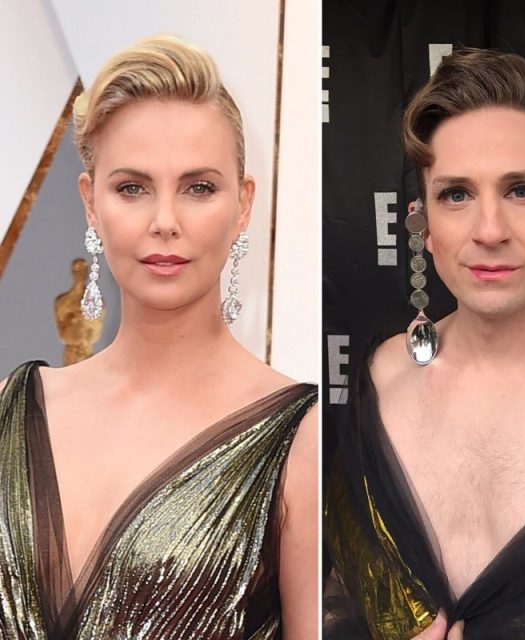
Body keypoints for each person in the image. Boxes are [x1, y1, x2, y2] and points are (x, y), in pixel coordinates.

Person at [0, 36, 317, 639]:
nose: (165, 222)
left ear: (243, 205)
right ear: (90, 203)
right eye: (132, 188)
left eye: (198, 188)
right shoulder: (8, 412)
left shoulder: (301, 444)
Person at [324, 48, 525, 640]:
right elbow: (340, 602)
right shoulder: (380, 379)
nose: (490, 230)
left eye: (521, 191)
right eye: (456, 195)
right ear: (421, 223)